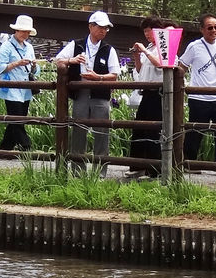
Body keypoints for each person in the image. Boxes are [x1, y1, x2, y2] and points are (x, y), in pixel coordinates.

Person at [55, 11, 120, 172]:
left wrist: (97, 77)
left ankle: (100, 171)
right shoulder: (76, 45)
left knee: (102, 132)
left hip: (100, 94)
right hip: (81, 92)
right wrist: (72, 60)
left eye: (106, 28)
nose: (103, 31)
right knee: (78, 130)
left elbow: (114, 74)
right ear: (91, 26)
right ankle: (78, 170)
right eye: (101, 27)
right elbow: (57, 61)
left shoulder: (108, 49)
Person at [178, 13, 216, 166]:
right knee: (195, 132)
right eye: (210, 27)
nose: (214, 30)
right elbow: (181, 66)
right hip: (198, 98)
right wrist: (180, 84)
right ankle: (190, 162)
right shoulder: (194, 46)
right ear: (202, 29)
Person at [128, 16, 165, 177]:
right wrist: (137, 55)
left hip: (157, 94)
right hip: (145, 93)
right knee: (139, 129)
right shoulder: (149, 47)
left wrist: (144, 50)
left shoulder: (163, 47)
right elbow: (141, 69)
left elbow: (160, 63)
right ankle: (137, 166)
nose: (147, 35)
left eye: (149, 31)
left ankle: (153, 170)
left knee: (153, 131)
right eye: (145, 32)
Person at [0, 14, 38, 151]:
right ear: (16, 30)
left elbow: (35, 71)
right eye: (23, 31)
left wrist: (34, 66)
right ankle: (26, 146)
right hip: (11, 87)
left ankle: (5, 148)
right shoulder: (6, 47)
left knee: (18, 118)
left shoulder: (29, 47)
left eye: (27, 32)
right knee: (17, 119)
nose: (25, 34)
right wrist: (17, 63)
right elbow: (1, 68)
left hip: (25, 88)